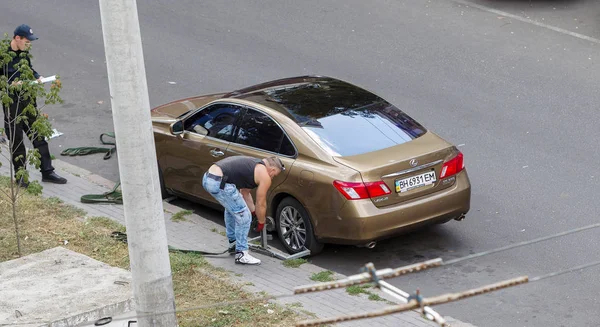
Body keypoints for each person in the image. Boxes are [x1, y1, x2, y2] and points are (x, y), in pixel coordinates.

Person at [1, 24, 67, 187]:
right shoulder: (3, 54)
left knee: (38, 136)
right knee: (16, 141)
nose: (29, 44)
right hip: (12, 103)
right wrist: (11, 85)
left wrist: (37, 76)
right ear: (17, 38)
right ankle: (21, 177)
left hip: (28, 100)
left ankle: (47, 172)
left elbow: (28, 68)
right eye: (27, 41)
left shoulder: (23, 53)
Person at [202, 156, 285, 265]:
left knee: (232, 211)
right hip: (220, 183)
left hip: (208, 178)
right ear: (273, 170)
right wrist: (261, 221)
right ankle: (241, 254)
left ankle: (233, 244)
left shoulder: (254, 166)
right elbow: (261, 203)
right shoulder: (265, 176)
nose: (273, 177)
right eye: (275, 175)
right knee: (245, 217)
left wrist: (254, 212)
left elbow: (245, 193)